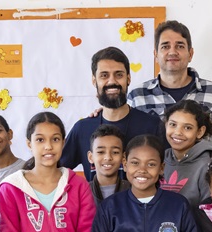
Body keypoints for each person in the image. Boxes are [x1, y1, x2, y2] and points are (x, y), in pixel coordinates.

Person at [0, 112, 96, 232]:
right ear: (29, 144)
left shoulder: (79, 185)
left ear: (63, 143)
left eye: (55, 139)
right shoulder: (11, 188)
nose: (48, 146)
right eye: (40, 140)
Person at [89, 134, 200, 232]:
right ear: (125, 164)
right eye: (135, 163)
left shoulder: (179, 206)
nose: (142, 170)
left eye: (151, 164)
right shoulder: (109, 207)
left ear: (162, 168)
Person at [61, 46, 165, 180]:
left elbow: (170, 171)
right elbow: (54, 171)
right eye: (104, 75)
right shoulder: (82, 129)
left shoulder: (152, 126)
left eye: (119, 75)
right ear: (94, 81)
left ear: (128, 78)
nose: (112, 81)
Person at [127, 20, 212, 150]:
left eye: (180, 46)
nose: (172, 52)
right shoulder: (137, 97)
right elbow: (128, 148)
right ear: (155, 55)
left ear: (190, 54)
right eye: (165, 46)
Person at [161, 99, 212, 208]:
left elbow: (210, 209)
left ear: (200, 132)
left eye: (187, 128)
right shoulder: (160, 159)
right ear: (166, 124)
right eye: (173, 124)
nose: (178, 132)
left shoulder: (207, 165)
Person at [87, 124, 131, 206]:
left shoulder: (133, 191)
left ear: (123, 158)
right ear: (90, 157)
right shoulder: (81, 192)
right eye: (101, 152)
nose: (108, 157)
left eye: (115, 152)